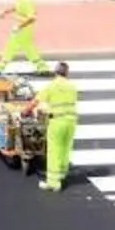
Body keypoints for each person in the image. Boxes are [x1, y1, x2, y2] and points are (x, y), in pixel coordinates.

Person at [38, 61, 80, 193]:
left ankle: (53, 183)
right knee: (66, 148)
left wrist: (27, 110)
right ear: (67, 73)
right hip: (71, 122)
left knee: (54, 150)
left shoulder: (51, 86)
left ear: (55, 72)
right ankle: (62, 174)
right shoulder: (72, 87)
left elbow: (37, 101)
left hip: (57, 122)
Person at [0, 0, 39, 68]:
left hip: (23, 29)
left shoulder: (27, 0)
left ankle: (1, 66)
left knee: (11, 46)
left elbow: (32, 18)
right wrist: (5, 11)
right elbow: (17, 7)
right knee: (29, 48)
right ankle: (41, 66)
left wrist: (19, 27)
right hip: (23, 28)